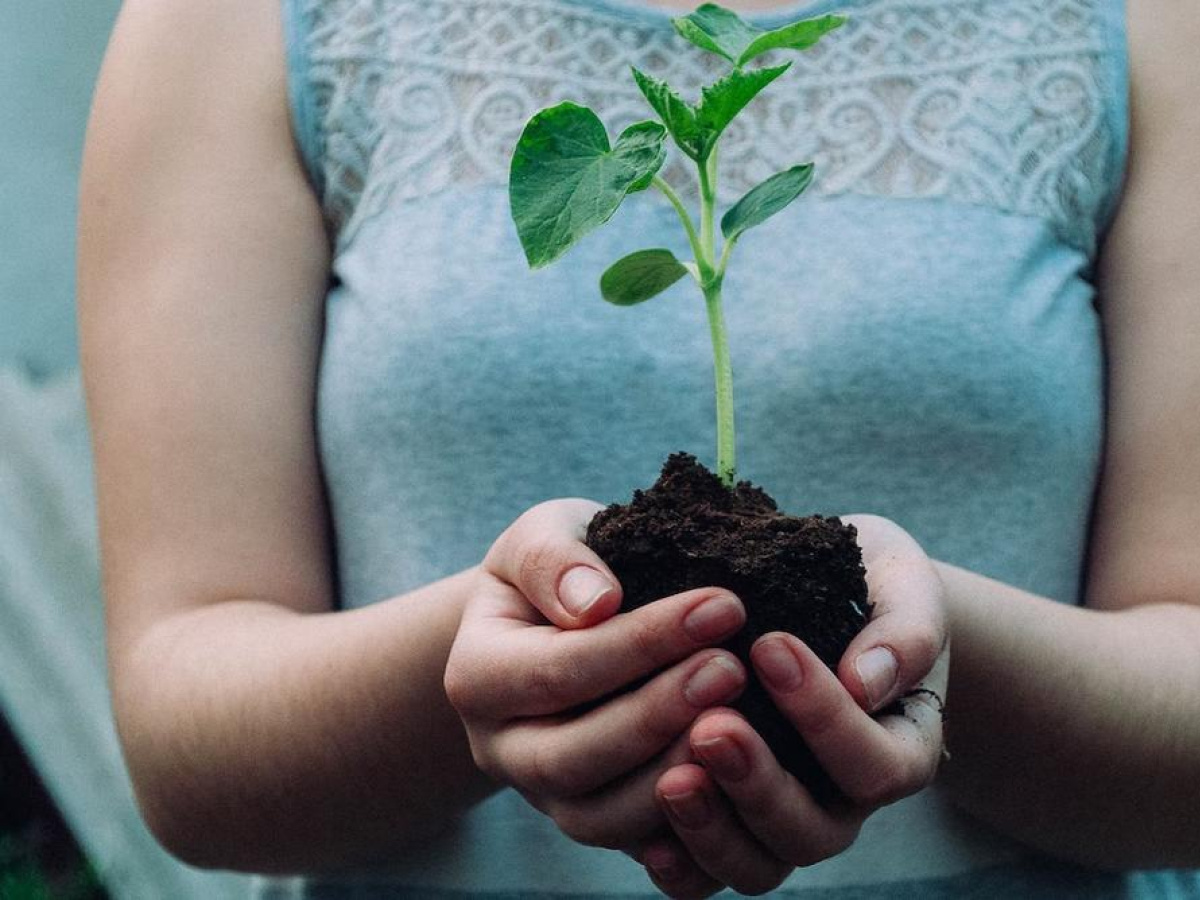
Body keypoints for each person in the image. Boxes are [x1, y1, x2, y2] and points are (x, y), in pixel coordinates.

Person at [77, 0, 1200, 896]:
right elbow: (187, 754)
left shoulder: (1142, 24)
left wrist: (933, 654)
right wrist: (488, 669)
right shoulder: (230, 22)